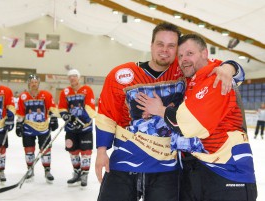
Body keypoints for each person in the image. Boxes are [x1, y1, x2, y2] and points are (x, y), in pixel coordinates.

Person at [95, 22, 245, 201]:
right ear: (151, 45)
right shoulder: (122, 74)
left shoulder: (185, 70)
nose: (164, 50)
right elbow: (107, 114)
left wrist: (230, 67)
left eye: (171, 46)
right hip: (125, 162)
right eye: (160, 44)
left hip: (167, 166)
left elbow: (225, 71)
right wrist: (101, 151)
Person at [135, 33, 257, 201]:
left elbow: (188, 125)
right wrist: (232, 65)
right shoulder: (191, 80)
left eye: (190, 53)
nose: (184, 59)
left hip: (227, 173)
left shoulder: (216, 78)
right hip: (198, 172)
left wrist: (160, 110)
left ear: (204, 53)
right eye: (181, 55)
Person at [15, 74, 59, 183]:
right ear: (28, 84)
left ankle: (47, 170)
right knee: (29, 150)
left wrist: (54, 119)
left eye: (36, 82)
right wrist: (18, 124)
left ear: (38, 83)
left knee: (46, 150)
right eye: (32, 82)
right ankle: (30, 170)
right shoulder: (23, 96)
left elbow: (52, 108)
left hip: (43, 127)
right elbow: (20, 112)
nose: (34, 84)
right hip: (28, 127)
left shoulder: (46, 95)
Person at [58, 69, 96, 187]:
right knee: (73, 151)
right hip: (70, 128)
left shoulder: (87, 90)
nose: (72, 78)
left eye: (74, 76)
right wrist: (66, 115)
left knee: (86, 152)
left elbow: (90, 107)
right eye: (70, 77)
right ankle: (77, 172)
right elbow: (62, 108)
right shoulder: (65, 92)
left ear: (79, 78)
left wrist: (82, 120)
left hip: (85, 128)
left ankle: (84, 174)